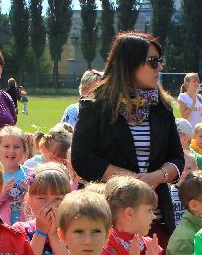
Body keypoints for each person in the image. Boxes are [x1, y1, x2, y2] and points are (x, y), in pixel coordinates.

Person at [71, 32, 185, 240]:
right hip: (107, 218)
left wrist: (156, 177)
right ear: (130, 63)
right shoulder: (96, 106)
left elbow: (177, 159)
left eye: (160, 61)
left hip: (154, 220)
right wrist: (129, 180)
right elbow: (81, 158)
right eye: (153, 62)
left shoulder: (162, 108)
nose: (160, 67)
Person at [0, 126, 31, 224]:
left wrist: (30, 194)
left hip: (25, 227)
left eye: (16, 147)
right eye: (6, 146)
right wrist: (3, 193)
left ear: (24, 151)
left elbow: (38, 205)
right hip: (2, 228)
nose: (11, 151)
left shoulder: (30, 174)